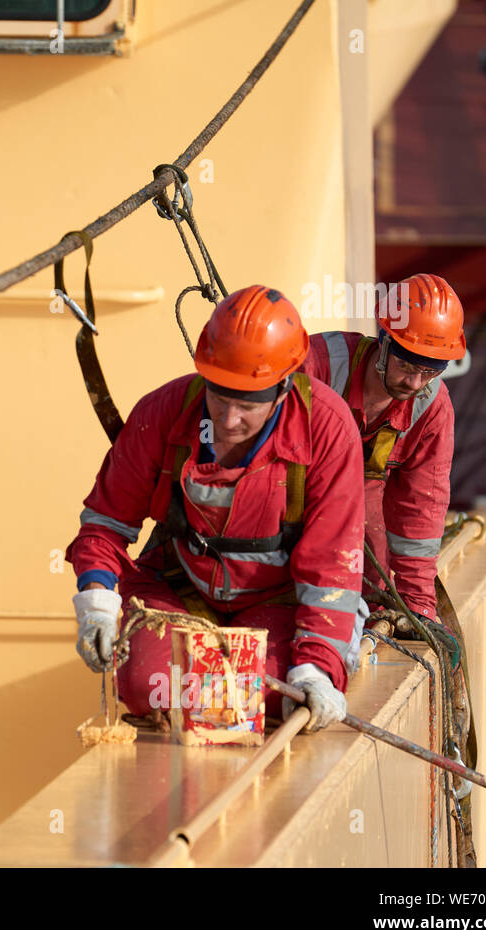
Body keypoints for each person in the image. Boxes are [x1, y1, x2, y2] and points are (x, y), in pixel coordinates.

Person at [67, 286, 366, 731]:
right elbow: (105, 525)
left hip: (280, 599)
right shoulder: (162, 413)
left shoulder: (325, 427)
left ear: (283, 387)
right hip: (180, 586)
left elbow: (333, 566)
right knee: (152, 689)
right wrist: (96, 600)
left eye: (247, 406)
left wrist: (318, 666)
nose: (228, 420)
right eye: (219, 397)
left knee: (270, 696)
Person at [301, 273, 463, 622]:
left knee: (373, 595)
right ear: (384, 341)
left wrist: (418, 604)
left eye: (429, 371)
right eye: (405, 364)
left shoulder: (431, 407)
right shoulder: (315, 368)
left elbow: (421, 507)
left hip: (362, 518)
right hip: (291, 506)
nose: (414, 383)